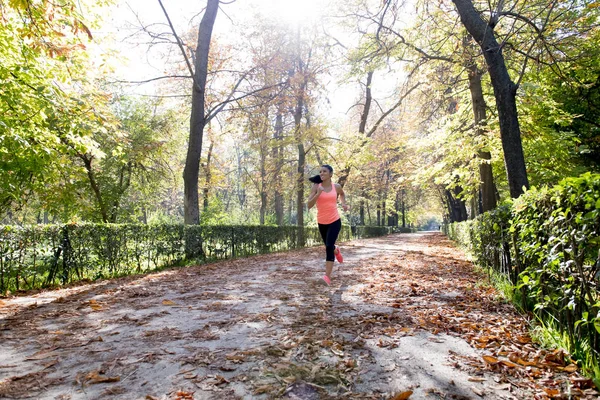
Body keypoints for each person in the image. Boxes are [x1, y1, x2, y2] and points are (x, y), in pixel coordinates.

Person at [307, 164, 349, 286]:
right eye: (320, 172)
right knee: (330, 246)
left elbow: (342, 194)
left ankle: (327, 277)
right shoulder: (316, 187)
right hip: (322, 222)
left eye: (324, 171)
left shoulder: (336, 187)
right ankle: (336, 250)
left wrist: (344, 204)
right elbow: (309, 205)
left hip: (335, 220)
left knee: (328, 246)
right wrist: (318, 194)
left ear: (330, 174)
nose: (322, 173)